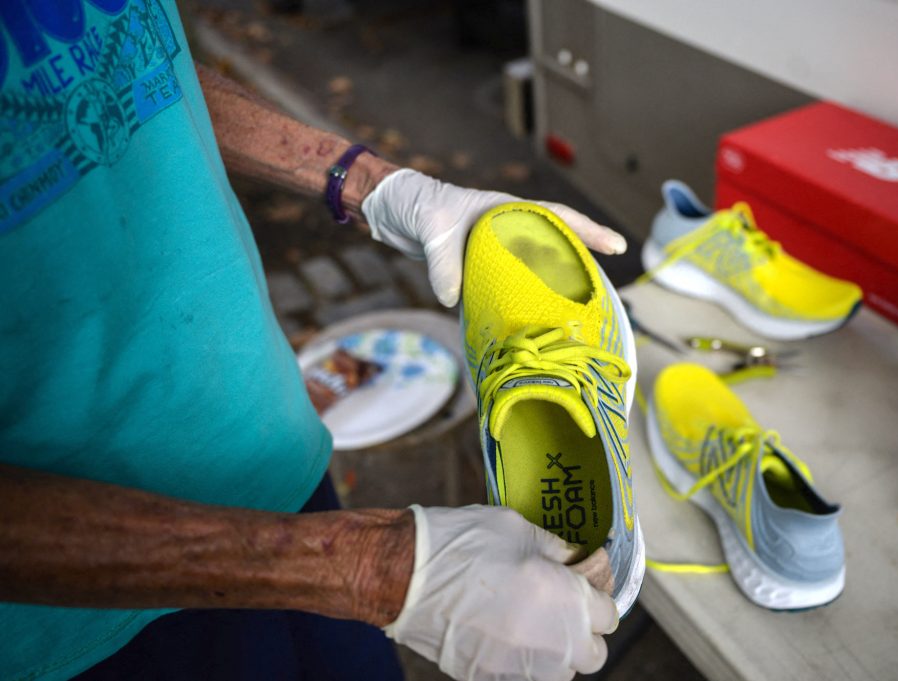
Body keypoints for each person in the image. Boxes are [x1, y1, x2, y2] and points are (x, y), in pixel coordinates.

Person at [0, 1, 629, 680]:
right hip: (93, 623)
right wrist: (372, 568)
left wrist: (377, 186)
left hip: (275, 458)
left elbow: (127, 66)